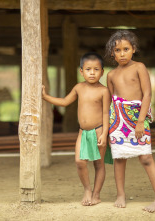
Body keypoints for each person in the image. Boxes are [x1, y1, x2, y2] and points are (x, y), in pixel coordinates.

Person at [105, 30, 155, 212]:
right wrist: (107, 128)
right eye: (117, 50)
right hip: (118, 119)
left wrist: (140, 122)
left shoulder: (139, 67)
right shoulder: (111, 75)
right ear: (112, 53)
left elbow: (147, 93)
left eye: (126, 49)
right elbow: (110, 101)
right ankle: (120, 194)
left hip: (138, 116)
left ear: (133, 49)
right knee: (119, 158)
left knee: (145, 157)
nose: (122, 54)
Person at [42, 52, 111, 206]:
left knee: (98, 164)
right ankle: (87, 189)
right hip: (83, 132)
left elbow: (106, 113)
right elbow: (65, 101)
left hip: (99, 130)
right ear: (81, 71)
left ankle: (97, 194)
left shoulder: (104, 91)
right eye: (88, 69)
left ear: (102, 71)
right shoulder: (79, 87)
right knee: (79, 162)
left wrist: (104, 134)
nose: (92, 73)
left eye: (96, 69)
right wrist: (46, 97)